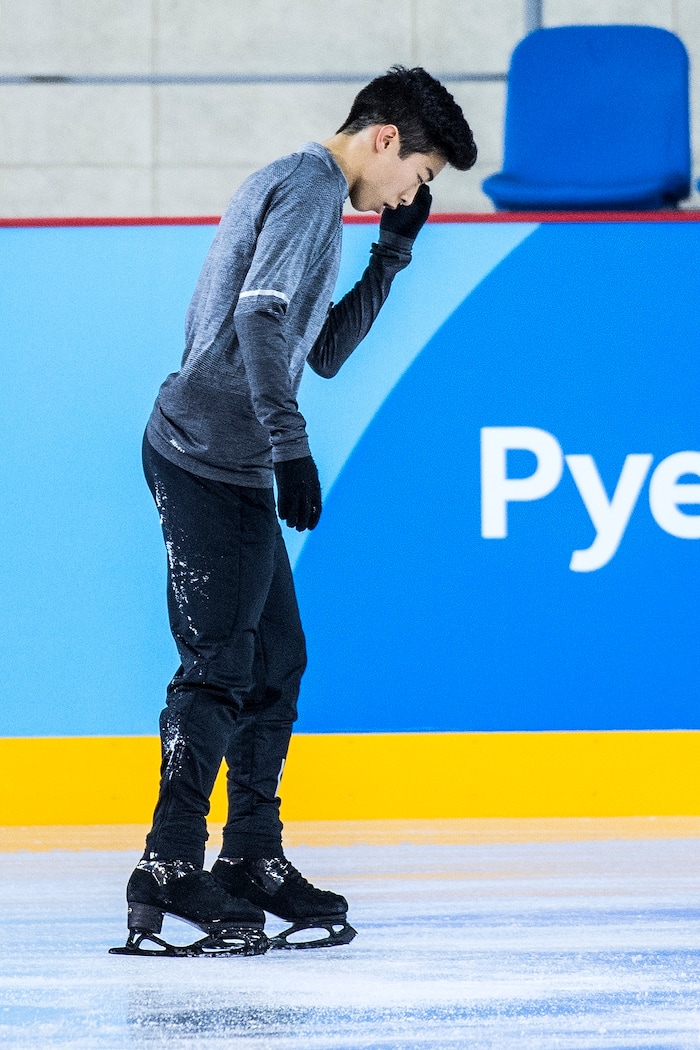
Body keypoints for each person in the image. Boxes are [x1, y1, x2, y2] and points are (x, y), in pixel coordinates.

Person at [111, 65, 477, 958]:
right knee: (218, 669)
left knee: (276, 660)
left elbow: (323, 353)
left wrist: (391, 256)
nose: (412, 190)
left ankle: (250, 858)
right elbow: (261, 321)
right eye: (421, 174)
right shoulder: (310, 189)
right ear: (386, 137)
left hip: (229, 462)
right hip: (205, 457)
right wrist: (289, 446)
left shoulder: (318, 197)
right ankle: (167, 863)